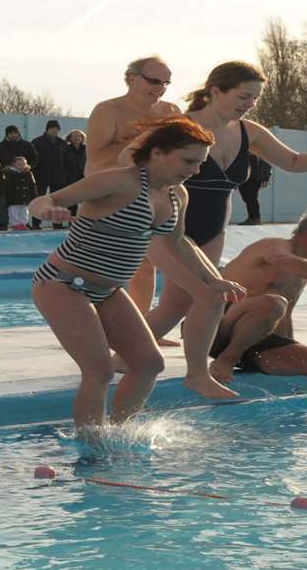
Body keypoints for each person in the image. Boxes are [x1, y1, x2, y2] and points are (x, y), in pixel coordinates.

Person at [147, 61, 307, 391]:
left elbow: (293, 162)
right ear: (215, 91)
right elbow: (134, 161)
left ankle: (135, 355)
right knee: (203, 295)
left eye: (255, 98)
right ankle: (192, 372)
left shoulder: (249, 132)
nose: (250, 104)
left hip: (213, 229)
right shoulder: (180, 126)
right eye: (244, 96)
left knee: (183, 301)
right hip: (169, 225)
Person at [26, 117, 245, 427]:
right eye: (189, 161)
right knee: (99, 370)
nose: (195, 170)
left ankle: (118, 433)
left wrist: (213, 280)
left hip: (109, 291)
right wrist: (48, 210)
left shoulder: (176, 195)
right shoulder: (118, 181)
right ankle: (91, 446)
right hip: (63, 284)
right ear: (157, 153)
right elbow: (43, 200)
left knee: (148, 364)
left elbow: (178, 242)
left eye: (200, 163)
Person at [210, 207, 307, 405]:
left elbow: (284, 318)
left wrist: (294, 352)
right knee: (273, 302)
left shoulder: (301, 272)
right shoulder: (274, 246)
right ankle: (226, 360)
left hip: (254, 341)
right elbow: (281, 261)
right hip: (212, 327)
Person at [86, 57, 183, 306]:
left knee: (147, 264)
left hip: (152, 195)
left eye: (165, 83)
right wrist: (144, 140)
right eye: (153, 81)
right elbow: (97, 159)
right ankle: (96, 322)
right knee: (104, 266)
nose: (160, 88)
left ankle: (142, 327)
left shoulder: (171, 112)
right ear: (130, 78)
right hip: (111, 196)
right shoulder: (108, 110)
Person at [29, 120, 70, 229]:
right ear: (47, 129)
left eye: (56, 129)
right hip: (41, 176)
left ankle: (57, 223)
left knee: (57, 201)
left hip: (59, 176)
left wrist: (65, 174)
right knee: (39, 200)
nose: (54, 131)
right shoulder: (37, 142)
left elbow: (67, 161)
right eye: (52, 129)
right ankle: (36, 224)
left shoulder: (63, 143)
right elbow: (32, 159)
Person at [2, 155, 37, 230]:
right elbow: (7, 187)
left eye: (24, 164)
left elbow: (32, 186)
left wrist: (34, 196)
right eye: (19, 164)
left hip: (25, 197)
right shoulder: (9, 174)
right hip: (13, 198)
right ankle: (16, 224)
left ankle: (23, 223)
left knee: (24, 211)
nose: (22, 166)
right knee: (14, 211)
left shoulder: (28, 174)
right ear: (14, 164)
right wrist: (8, 197)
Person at [239, 152, 272, 224]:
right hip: (244, 176)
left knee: (252, 197)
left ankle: (256, 218)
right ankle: (251, 217)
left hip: (256, 176)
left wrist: (266, 177)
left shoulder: (260, 147)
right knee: (246, 197)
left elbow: (267, 162)